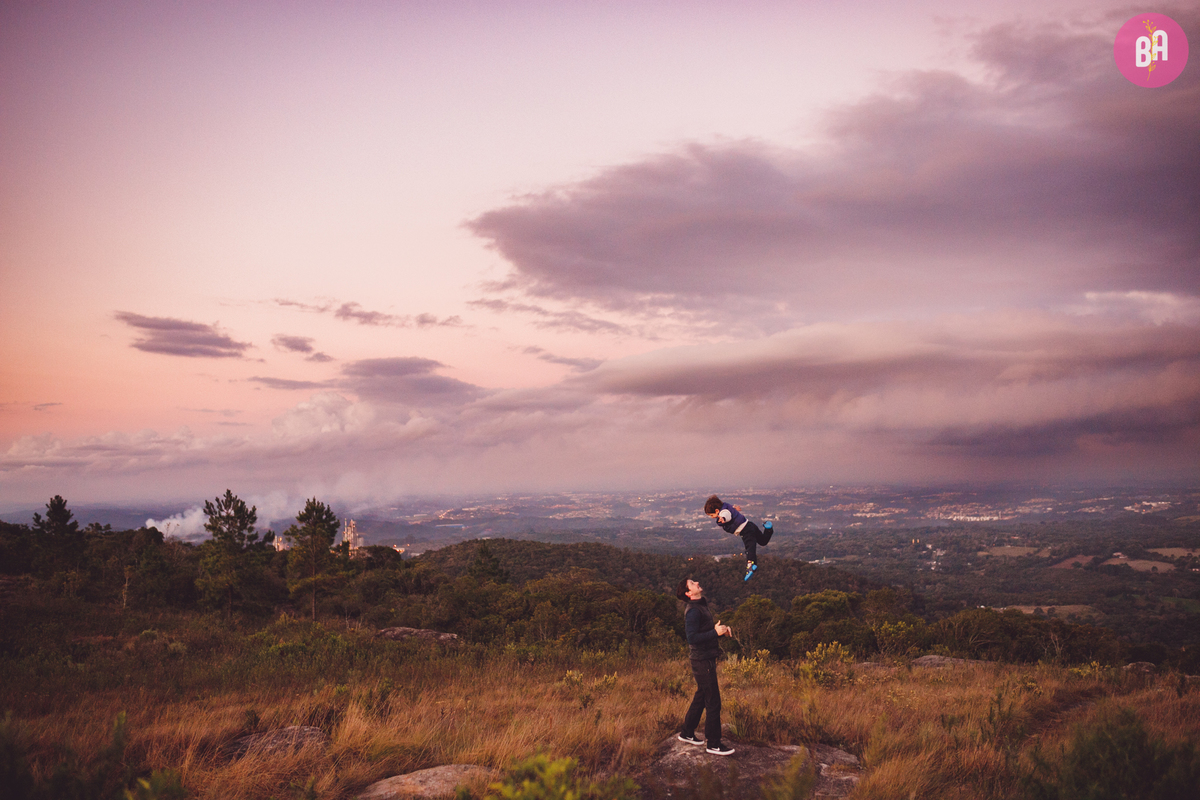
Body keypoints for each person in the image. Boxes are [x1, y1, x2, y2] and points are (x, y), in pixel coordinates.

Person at [675, 578, 735, 756]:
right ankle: (713, 744)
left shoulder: (700, 605)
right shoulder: (693, 611)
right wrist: (714, 632)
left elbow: (704, 632)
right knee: (713, 701)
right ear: (688, 593)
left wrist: (719, 631)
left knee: (701, 696)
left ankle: (687, 732)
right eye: (692, 583)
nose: (697, 582)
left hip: (705, 658)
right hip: (702, 661)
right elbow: (692, 638)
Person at [704, 495, 774, 581]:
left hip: (745, 530)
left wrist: (723, 519)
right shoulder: (727, 507)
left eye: (712, 515)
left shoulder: (723, 513)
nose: (712, 517)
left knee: (749, 548)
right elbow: (730, 510)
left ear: (716, 510)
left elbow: (727, 515)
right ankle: (768, 529)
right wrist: (735, 508)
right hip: (750, 525)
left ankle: (750, 566)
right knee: (763, 541)